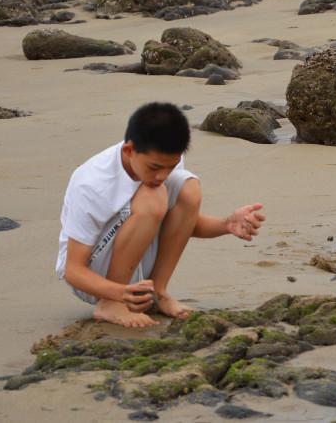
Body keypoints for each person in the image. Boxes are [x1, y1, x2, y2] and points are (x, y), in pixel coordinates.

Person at [56, 102, 265, 328]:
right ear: (128, 150)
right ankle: (110, 304)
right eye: (155, 168)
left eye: (170, 167)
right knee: (153, 197)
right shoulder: (92, 183)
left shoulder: (163, 164)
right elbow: (73, 270)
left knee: (188, 188)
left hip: (134, 273)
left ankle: (158, 292)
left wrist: (226, 224)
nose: (162, 176)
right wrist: (119, 292)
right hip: (93, 277)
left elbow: (174, 225)